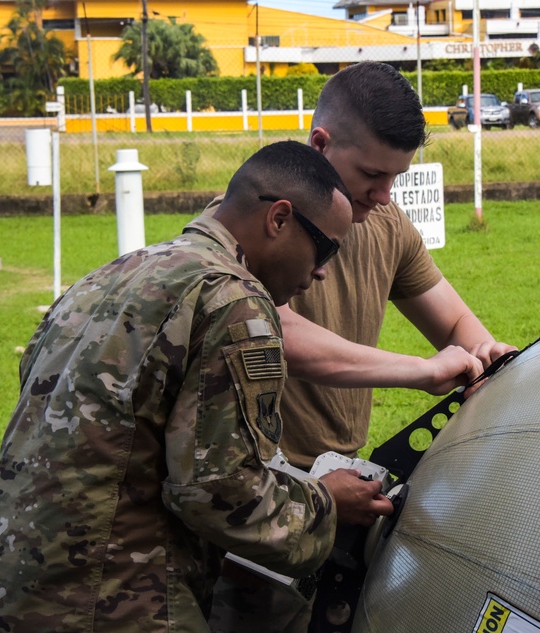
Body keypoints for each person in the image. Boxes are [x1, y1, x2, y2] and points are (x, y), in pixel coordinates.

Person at [0, 140, 392, 631]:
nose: (321, 273)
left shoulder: (108, 276)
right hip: (105, 602)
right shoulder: (233, 300)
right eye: (324, 248)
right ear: (279, 219)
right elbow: (217, 492)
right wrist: (327, 502)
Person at [210, 61, 515, 632]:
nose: (384, 193)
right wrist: (422, 371)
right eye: (372, 174)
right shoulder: (252, 223)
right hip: (255, 496)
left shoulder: (386, 221)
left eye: (396, 176)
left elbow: (451, 318)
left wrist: (488, 357)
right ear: (320, 144)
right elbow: (281, 336)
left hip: (343, 489)